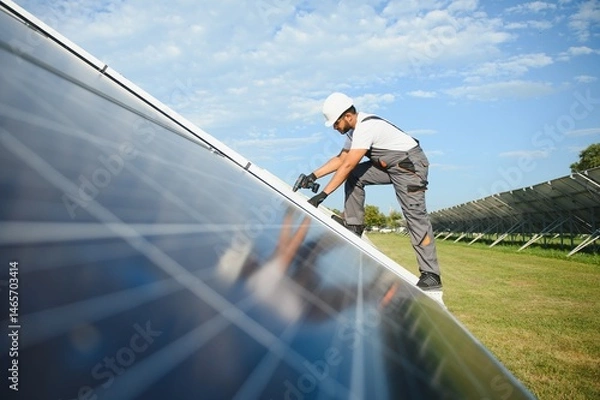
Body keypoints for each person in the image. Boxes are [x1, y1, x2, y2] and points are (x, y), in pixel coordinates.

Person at [295, 92, 442, 291]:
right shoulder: (354, 132)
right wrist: (313, 176)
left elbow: (346, 165)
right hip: (389, 166)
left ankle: (431, 274)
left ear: (347, 116)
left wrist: (323, 195)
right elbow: (342, 158)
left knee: (415, 216)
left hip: (411, 167)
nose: (336, 128)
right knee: (356, 174)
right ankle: (354, 225)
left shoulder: (366, 127)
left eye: (336, 124)